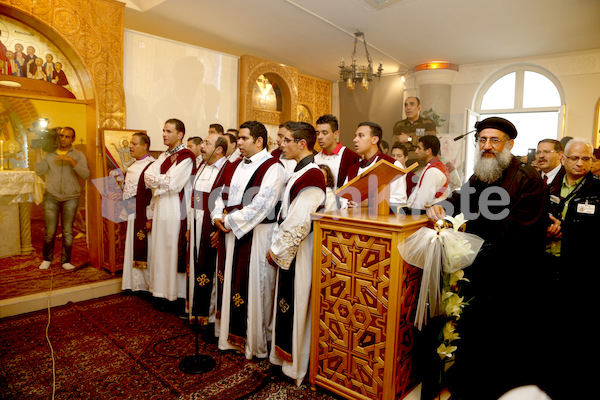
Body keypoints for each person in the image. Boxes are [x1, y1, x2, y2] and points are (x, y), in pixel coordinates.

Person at [426, 117, 548, 400]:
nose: (487, 146)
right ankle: (467, 384)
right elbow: (459, 198)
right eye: (482, 140)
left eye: (494, 140)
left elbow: (522, 232)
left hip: (512, 278)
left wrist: (470, 233)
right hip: (480, 271)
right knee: (475, 334)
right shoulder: (482, 174)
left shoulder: (528, 178)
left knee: (503, 341)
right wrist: (439, 206)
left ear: (509, 144)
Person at [211, 120, 286, 360]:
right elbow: (221, 194)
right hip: (232, 232)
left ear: (259, 141)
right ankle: (229, 337)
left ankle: (254, 342)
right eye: (239, 138)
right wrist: (216, 216)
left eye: (243, 138)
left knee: (255, 287)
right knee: (231, 281)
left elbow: (263, 204)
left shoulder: (274, 167)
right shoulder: (236, 165)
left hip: (256, 234)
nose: (239, 143)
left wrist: (229, 221)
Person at [267, 121, 325, 385]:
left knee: (297, 302)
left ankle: (294, 366)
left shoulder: (313, 175)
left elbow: (300, 220)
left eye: (286, 140)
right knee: (286, 303)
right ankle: (283, 358)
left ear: (302, 144)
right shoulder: (300, 170)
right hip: (291, 249)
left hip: (300, 251)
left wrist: (277, 250)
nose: (282, 144)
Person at [544, 138, 598, 399]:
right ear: (563, 159)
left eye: (585, 158)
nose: (580, 163)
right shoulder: (545, 186)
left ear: (592, 161)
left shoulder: (598, 190)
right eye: (575, 158)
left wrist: (568, 232)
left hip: (579, 272)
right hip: (545, 266)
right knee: (545, 329)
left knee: (574, 332)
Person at [144, 118, 196, 311]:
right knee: (159, 248)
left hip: (175, 208)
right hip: (160, 206)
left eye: (168, 131)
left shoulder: (186, 156)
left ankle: (175, 294)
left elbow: (174, 183)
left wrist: (159, 181)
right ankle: (159, 291)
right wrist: (160, 181)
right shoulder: (164, 155)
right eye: (163, 130)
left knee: (171, 247)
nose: (164, 134)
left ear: (180, 134)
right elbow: (147, 177)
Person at [187, 132, 228, 329]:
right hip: (196, 222)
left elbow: (228, 201)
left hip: (212, 226)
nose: (202, 147)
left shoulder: (228, 170)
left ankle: (211, 317)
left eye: (207, 143)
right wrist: (189, 226)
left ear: (219, 149)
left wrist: (219, 229)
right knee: (197, 266)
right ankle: (198, 311)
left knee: (211, 269)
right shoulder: (202, 166)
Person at [35, 127, 90, 270]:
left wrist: (71, 161)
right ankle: (47, 259)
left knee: (67, 231)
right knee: (50, 231)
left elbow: (85, 174)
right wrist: (37, 152)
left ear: (73, 139)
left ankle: (66, 261)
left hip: (71, 197)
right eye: (61, 136)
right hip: (51, 196)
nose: (63, 139)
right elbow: (39, 171)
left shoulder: (78, 155)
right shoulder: (49, 154)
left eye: (67, 137)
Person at [121, 132, 155, 293]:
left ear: (145, 146)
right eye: (130, 143)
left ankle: (146, 285)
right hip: (132, 214)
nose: (130, 146)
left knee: (146, 249)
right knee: (132, 246)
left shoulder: (152, 166)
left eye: (134, 143)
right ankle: (133, 284)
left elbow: (154, 196)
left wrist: (150, 218)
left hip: (144, 214)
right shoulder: (133, 166)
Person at [345, 121, 407, 208]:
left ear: (374, 139)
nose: (355, 140)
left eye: (361, 136)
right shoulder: (353, 169)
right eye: (355, 136)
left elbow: (399, 201)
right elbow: (344, 198)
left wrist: (370, 203)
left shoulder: (392, 165)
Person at [314, 114, 360, 189]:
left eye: (324, 133)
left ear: (336, 134)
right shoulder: (315, 159)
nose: (319, 137)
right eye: (317, 133)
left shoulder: (352, 158)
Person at [406, 135, 449, 210]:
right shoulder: (434, 167)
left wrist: (410, 213)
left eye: (419, 148)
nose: (416, 151)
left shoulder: (433, 171)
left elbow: (423, 200)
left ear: (428, 151)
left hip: (422, 214)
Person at [392, 96, 437, 168]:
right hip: (404, 165)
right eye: (406, 105)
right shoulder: (399, 125)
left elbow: (430, 144)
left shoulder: (428, 123)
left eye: (412, 104)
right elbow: (396, 146)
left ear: (419, 107)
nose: (408, 108)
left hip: (422, 165)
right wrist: (419, 140)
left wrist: (409, 139)